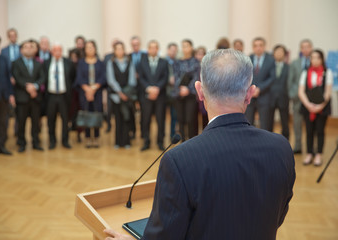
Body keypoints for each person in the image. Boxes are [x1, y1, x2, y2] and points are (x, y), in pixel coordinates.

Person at [104, 49, 296, 240]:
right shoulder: (281, 148)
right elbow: (276, 217)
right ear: (250, 94)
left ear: (199, 92)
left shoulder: (180, 160)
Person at [298, 49, 332, 166]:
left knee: (320, 130)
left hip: (322, 107)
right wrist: (308, 105)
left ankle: (319, 154)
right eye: (313, 57)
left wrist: (319, 106)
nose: (315, 60)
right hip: (308, 106)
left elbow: (327, 93)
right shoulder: (305, 72)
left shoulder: (328, 73)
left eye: (318, 57)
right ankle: (309, 153)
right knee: (309, 130)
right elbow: (301, 91)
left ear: (322, 59)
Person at [12, 40, 45, 152]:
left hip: (35, 97)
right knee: (21, 122)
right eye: (26, 47)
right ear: (21, 50)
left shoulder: (38, 63)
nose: (29, 49)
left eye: (31, 47)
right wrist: (29, 88)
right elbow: (17, 78)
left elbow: (42, 77)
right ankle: (22, 143)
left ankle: (36, 142)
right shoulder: (16, 63)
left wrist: (35, 86)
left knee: (36, 122)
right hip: (22, 97)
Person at [138, 40, 169, 151]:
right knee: (145, 120)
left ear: (158, 49)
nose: (153, 49)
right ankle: (146, 141)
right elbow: (141, 78)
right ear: (148, 50)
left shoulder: (163, 62)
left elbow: (165, 78)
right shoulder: (142, 62)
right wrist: (149, 89)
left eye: (155, 47)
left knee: (160, 120)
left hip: (160, 96)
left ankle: (160, 142)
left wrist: (157, 89)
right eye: (151, 47)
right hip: (146, 96)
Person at [44, 43, 75, 149]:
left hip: (64, 95)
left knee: (65, 119)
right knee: (51, 120)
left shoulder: (68, 63)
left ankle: (65, 141)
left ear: (62, 51)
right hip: (51, 95)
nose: (57, 52)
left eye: (59, 50)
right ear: (52, 51)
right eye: (55, 50)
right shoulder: (46, 63)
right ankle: (52, 141)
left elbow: (73, 77)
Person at [75, 40, 106, 148]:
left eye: (92, 47)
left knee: (96, 113)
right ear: (85, 50)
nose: (90, 49)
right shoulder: (81, 63)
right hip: (84, 93)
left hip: (97, 93)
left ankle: (96, 138)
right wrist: (87, 89)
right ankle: (88, 138)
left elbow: (103, 77)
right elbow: (79, 78)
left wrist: (94, 89)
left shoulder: (100, 63)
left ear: (95, 49)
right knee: (87, 114)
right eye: (87, 47)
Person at [107, 41, 137, 149]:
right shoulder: (111, 63)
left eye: (121, 48)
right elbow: (111, 80)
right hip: (116, 97)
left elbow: (132, 80)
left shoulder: (130, 62)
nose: (120, 51)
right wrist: (120, 93)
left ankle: (127, 141)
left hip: (127, 95)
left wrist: (126, 93)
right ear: (114, 51)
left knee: (127, 118)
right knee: (118, 118)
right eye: (117, 49)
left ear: (124, 50)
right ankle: (118, 142)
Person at [288, 39, 313, 154]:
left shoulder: (316, 62)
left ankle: (312, 148)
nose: (305, 49)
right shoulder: (295, 63)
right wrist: (294, 95)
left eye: (308, 47)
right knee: (297, 124)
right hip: (297, 100)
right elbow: (290, 81)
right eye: (303, 47)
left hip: (312, 100)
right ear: (300, 49)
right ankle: (297, 146)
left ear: (311, 48)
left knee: (312, 125)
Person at [245, 37, 275, 131]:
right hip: (250, 96)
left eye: (260, 45)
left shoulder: (270, 60)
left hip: (264, 96)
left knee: (265, 124)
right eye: (255, 46)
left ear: (264, 46)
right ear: (252, 47)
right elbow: (245, 76)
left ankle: (264, 145)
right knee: (248, 123)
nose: (258, 48)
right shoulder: (248, 59)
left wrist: (260, 89)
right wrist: (252, 89)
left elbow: (272, 78)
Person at [173, 39, 200, 141]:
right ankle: (182, 142)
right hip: (179, 94)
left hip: (191, 95)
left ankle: (192, 142)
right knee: (181, 119)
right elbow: (175, 77)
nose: (184, 48)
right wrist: (180, 88)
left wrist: (188, 89)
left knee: (190, 119)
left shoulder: (196, 62)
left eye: (187, 46)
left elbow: (196, 77)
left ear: (191, 48)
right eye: (183, 46)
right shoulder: (177, 62)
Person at [270, 44, 290, 140]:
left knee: (285, 123)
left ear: (285, 54)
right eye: (277, 51)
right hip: (270, 98)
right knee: (268, 122)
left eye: (281, 52)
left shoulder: (288, 67)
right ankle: (268, 141)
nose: (278, 54)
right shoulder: (269, 66)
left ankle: (286, 142)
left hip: (284, 98)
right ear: (273, 54)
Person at [130, 36, 146, 139]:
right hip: (132, 87)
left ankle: (144, 133)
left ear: (139, 44)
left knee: (144, 112)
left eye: (137, 44)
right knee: (131, 111)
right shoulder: (128, 56)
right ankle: (133, 132)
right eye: (133, 44)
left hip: (143, 87)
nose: (135, 46)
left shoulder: (145, 55)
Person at [166, 42, 178, 138]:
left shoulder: (178, 62)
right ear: (168, 50)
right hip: (164, 92)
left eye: (175, 50)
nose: (173, 52)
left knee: (174, 116)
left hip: (174, 93)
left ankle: (172, 134)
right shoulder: (163, 61)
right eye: (172, 50)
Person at [195, 46, 208, 129]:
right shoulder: (193, 66)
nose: (200, 56)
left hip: (204, 95)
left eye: (202, 54)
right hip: (194, 95)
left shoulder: (208, 67)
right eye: (198, 54)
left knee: (205, 118)